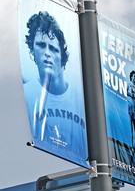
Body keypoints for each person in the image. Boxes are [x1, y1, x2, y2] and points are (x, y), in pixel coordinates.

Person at [23, 11, 87, 159]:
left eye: (53, 48)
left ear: (62, 56)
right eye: (40, 45)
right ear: (32, 50)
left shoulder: (82, 100)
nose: (47, 53)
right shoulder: (28, 95)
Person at [127, 70, 135, 147]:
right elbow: (124, 91)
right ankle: (131, 145)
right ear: (131, 77)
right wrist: (131, 94)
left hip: (134, 108)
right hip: (130, 106)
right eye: (134, 76)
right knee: (131, 126)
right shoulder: (129, 84)